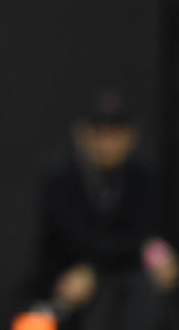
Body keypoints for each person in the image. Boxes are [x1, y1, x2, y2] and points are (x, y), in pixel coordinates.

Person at [17, 94, 178, 330]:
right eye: (100, 133)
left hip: (127, 279)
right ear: (82, 133)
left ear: (132, 135)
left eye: (116, 133)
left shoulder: (146, 174)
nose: (108, 143)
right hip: (64, 285)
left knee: (152, 281)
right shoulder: (60, 176)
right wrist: (138, 250)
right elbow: (76, 239)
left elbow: (147, 231)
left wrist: (151, 253)